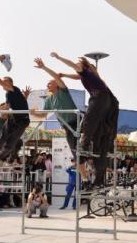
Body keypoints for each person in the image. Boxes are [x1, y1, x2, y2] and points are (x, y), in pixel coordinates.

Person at [50, 52, 119, 188]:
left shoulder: (86, 71)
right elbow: (77, 76)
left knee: (88, 120)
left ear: (84, 66)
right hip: (105, 101)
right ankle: (98, 178)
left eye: (78, 65)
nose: (77, 67)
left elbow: (73, 65)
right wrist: (64, 75)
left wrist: (59, 58)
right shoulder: (87, 75)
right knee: (98, 129)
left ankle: (85, 145)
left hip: (99, 98)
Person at [33, 57, 79, 156]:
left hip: (77, 122)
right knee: (74, 152)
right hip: (67, 127)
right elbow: (43, 115)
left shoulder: (63, 91)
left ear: (56, 84)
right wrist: (33, 113)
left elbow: (57, 77)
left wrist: (44, 67)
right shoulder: (49, 99)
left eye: (49, 83)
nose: (47, 85)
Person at [0, 74, 30, 164]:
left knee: (10, 145)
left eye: (5, 81)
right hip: (13, 118)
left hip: (22, 121)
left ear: (11, 83)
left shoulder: (14, 89)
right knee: (2, 139)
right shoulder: (8, 94)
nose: (3, 83)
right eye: (3, 81)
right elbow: (9, 106)